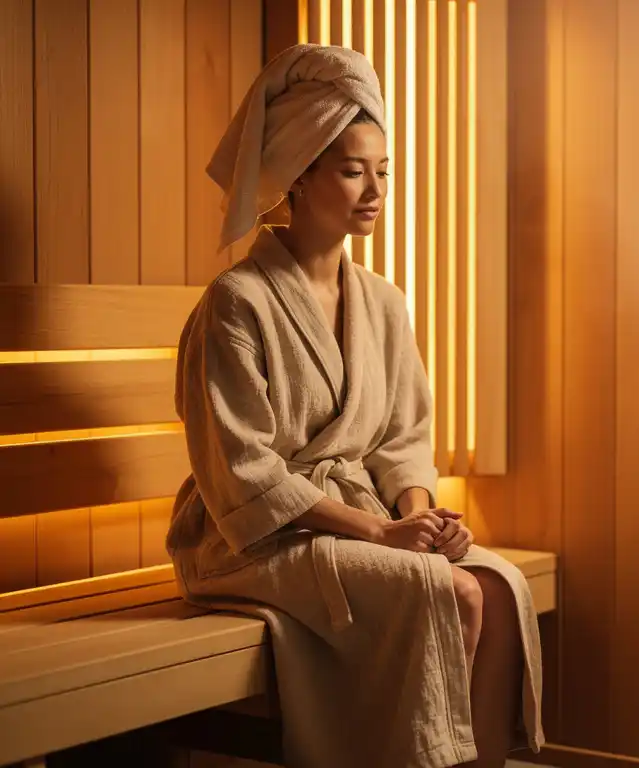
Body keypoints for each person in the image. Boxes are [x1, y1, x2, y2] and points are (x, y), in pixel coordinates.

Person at [166, 43, 544, 768]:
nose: (374, 190)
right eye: (350, 171)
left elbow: (403, 440)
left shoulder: (384, 302)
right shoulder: (235, 303)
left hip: (357, 522)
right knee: (455, 598)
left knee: (499, 584)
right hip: (245, 539)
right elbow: (243, 472)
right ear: (298, 177)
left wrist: (417, 518)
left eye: (383, 172)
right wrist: (377, 530)